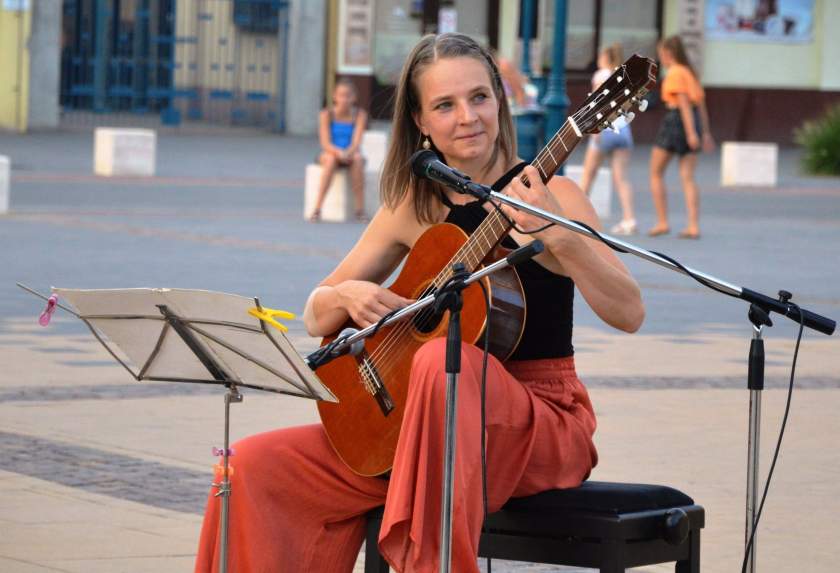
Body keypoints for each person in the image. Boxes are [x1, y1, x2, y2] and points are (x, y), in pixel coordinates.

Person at [193, 33, 644, 573]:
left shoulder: (553, 195)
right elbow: (315, 314)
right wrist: (345, 294)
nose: (468, 117)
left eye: (479, 97)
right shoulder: (414, 204)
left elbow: (629, 312)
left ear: (500, 98)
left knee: (438, 361)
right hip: (415, 424)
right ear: (420, 121)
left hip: (538, 422)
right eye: (445, 105)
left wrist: (562, 237)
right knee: (253, 468)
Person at [648, 35, 714, 239]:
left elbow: (683, 103)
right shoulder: (690, 73)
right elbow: (700, 106)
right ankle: (693, 225)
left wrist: (691, 133)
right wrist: (704, 133)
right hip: (692, 121)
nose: (661, 58)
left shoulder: (675, 73)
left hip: (676, 121)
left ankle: (662, 221)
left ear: (668, 53)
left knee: (656, 172)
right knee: (688, 177)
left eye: (661, 54)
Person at [578, 43, 637, 235]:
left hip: (604, 129)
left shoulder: (601, 75)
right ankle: (630, 219)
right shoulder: (624, 77)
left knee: (588, 175)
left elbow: (596, 103)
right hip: (623, 129)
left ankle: (578, 217)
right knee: (622, 178)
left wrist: (590, 129)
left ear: (605, 57)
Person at [312, 79, 369, 223]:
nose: (344, 99)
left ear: (354, 97)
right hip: (331, 152)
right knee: (330, 160)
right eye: (341, 95)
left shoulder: (360, 115)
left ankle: (360, 210)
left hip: (351, 152)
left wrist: (348, 152)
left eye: (348, 95)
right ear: (334, 97)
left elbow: (357, 141)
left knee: (357, 160)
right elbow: (325, 142)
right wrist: (339, 153)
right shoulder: (326, 114)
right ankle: (317, 208)